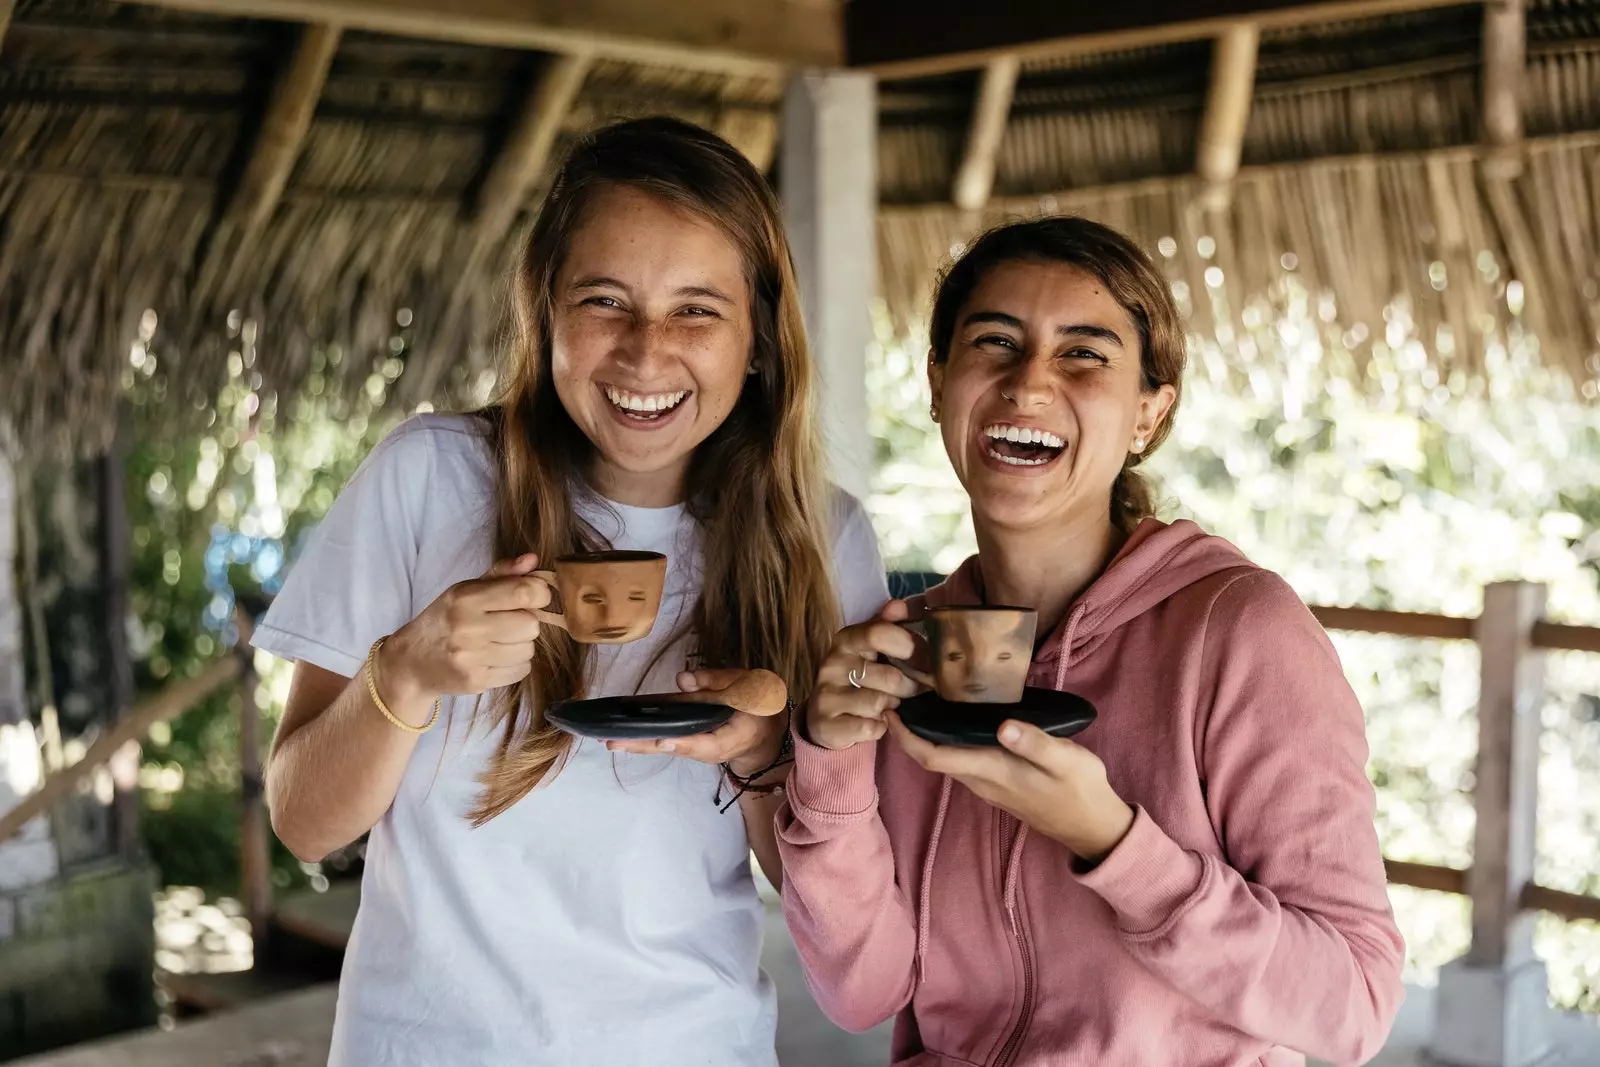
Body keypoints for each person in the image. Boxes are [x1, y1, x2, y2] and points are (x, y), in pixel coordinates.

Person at [255, 117, 887, 1067]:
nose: (645, 352)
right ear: (544, 310)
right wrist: (409, 673)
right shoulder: (429, 478)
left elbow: (838, 915)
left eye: (696, 310)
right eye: (605, 301)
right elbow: (304, 821)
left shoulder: (819, 537)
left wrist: (759, 748)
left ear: (757, 337)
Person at [777, 217, 1405, 1066]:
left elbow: (1356, 1003)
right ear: (937, 382)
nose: (1028, 383)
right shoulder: (915, 652)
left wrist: (1115, 842)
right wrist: (830, 765)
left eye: (1084, 354)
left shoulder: (1238, 631)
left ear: (1150, 411)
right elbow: (864, 993)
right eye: (994, 342)